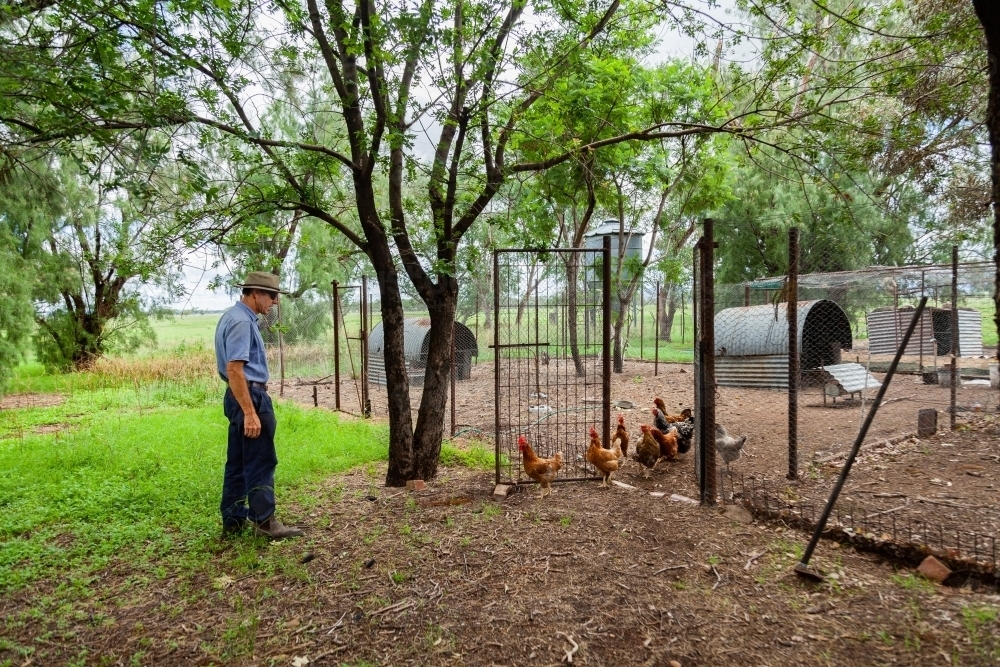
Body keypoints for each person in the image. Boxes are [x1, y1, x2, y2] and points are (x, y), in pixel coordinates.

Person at [214, 271, 304, 540]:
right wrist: (251, 413)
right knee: (261, 461)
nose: (275, 302)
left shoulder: (232, 316)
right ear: (255, 293)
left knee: (239, 462)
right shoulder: (242, 322)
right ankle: (265, 523)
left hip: (238, 396)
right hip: (249, 396)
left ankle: (233, 521)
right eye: (272, 296)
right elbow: (235, 369)